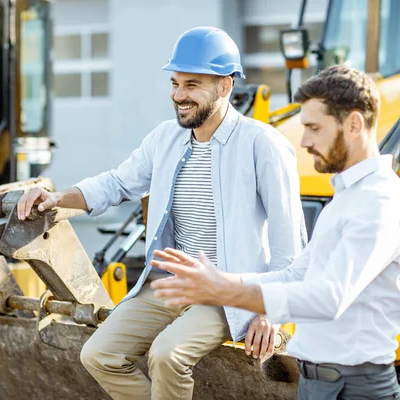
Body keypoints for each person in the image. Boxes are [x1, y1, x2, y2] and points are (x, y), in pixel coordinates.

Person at [17, 26, 306, 400]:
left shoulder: (263, 145)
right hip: (170, 285)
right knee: (99, 354)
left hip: (226, 294)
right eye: (175, 83)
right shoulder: (164, 139)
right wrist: (56, 198)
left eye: (191, 85)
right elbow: (117, 183)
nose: (178, 96)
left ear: (224, 86)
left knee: (167, 355)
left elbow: (290, 247)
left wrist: (271, 313)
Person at [150, 65, 400, 399]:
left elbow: (327, 298)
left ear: (353, 124)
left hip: (357, 388)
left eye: (313, 128)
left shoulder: (379, 202)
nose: (305, 141)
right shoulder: (347, 198)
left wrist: (224, 292)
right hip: (317, 381)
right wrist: (222, 282)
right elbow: (296, 274)